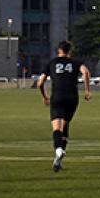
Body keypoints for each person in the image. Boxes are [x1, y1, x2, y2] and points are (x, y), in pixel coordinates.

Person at [38, 41, 91, 172]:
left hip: (57, 97)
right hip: (72, 98)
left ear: (58, 51)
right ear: (70, 52)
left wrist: (44, 97)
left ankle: (58, 150)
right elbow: (86, 73)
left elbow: (40, 83)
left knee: (57, 127)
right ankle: (58, 161)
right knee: (66, 125)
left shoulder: (52, 63)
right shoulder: (76, 63)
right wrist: (87, 90)